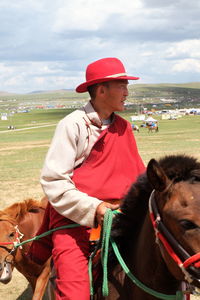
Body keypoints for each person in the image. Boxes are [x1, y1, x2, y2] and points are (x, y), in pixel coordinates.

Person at [32, 57, 146, 300]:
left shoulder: (124, 127)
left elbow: (139, 179)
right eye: (122, 85)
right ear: (102, 89)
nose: (127, 92)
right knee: (75, 293)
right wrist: (95, 207)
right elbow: (55, 182)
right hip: (77, 222)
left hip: (121, 218)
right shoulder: (72, 125)